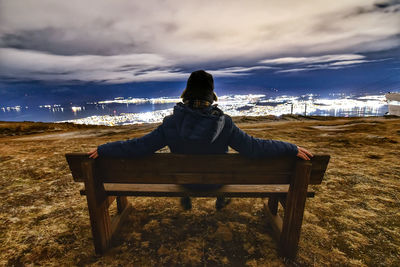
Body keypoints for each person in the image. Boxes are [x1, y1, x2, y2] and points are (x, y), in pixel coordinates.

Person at [88, 70, 313, 210]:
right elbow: (254, 148)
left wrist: (106, 149)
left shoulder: (171, 123)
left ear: (186, 93)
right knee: (220, 170)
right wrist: (289, 148)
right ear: (210, 95)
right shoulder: (224, 123)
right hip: (216, 181)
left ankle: (187, 194)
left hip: (183, 180)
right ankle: (221, 197)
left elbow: (138, 147)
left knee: (186, 170)